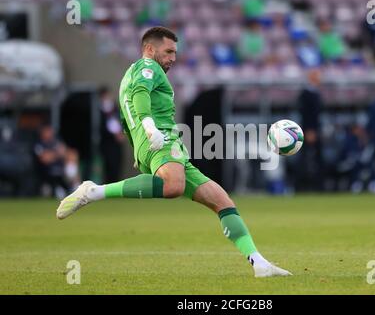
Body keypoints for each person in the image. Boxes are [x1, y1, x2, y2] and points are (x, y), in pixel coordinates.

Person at [56, 26, 291, 278]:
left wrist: (140, 148)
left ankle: (260, 264)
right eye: (168, 51)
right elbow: (140, 95)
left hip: (164, 144)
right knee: (173, 187)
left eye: (175, 52)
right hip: (160, 139)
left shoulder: (131, 74)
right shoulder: (148, 68)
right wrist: (149, 129)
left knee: (223, 202)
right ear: (149, 49)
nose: (173, 58)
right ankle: (93, 192)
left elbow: (126, 115)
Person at [99, 86, 124, 183]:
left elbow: (121, 121)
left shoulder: (115, 107)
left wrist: (121, 133)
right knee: (108, 165)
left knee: (117, 164)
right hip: (107, 142)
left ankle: (116, 184)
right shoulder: (99, 110)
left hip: (117, 143)